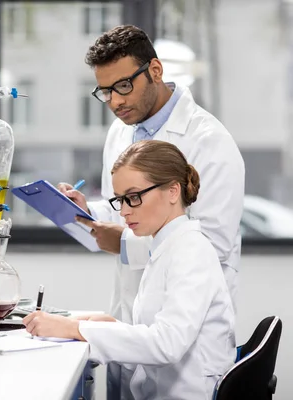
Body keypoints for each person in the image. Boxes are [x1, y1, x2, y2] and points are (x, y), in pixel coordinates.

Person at [58, 25, 244, 396]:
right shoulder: (121, 130)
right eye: (105, 91)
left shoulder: (209, 140)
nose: (115, 101)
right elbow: (128, 207)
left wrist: (124, 244)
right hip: (133, 312)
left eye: (123, 86)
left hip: (185, 346)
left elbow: (212, 243)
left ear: (155, 71)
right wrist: (88, 209)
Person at [25, 140, 236, 400]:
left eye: (134, 197)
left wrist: (72, 329)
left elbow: (166, 344)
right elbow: (158, 328)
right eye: (120, 200)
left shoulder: (191, 250)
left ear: (172, 191)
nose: (123, 212)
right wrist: (113, 326)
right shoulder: (165, 245)